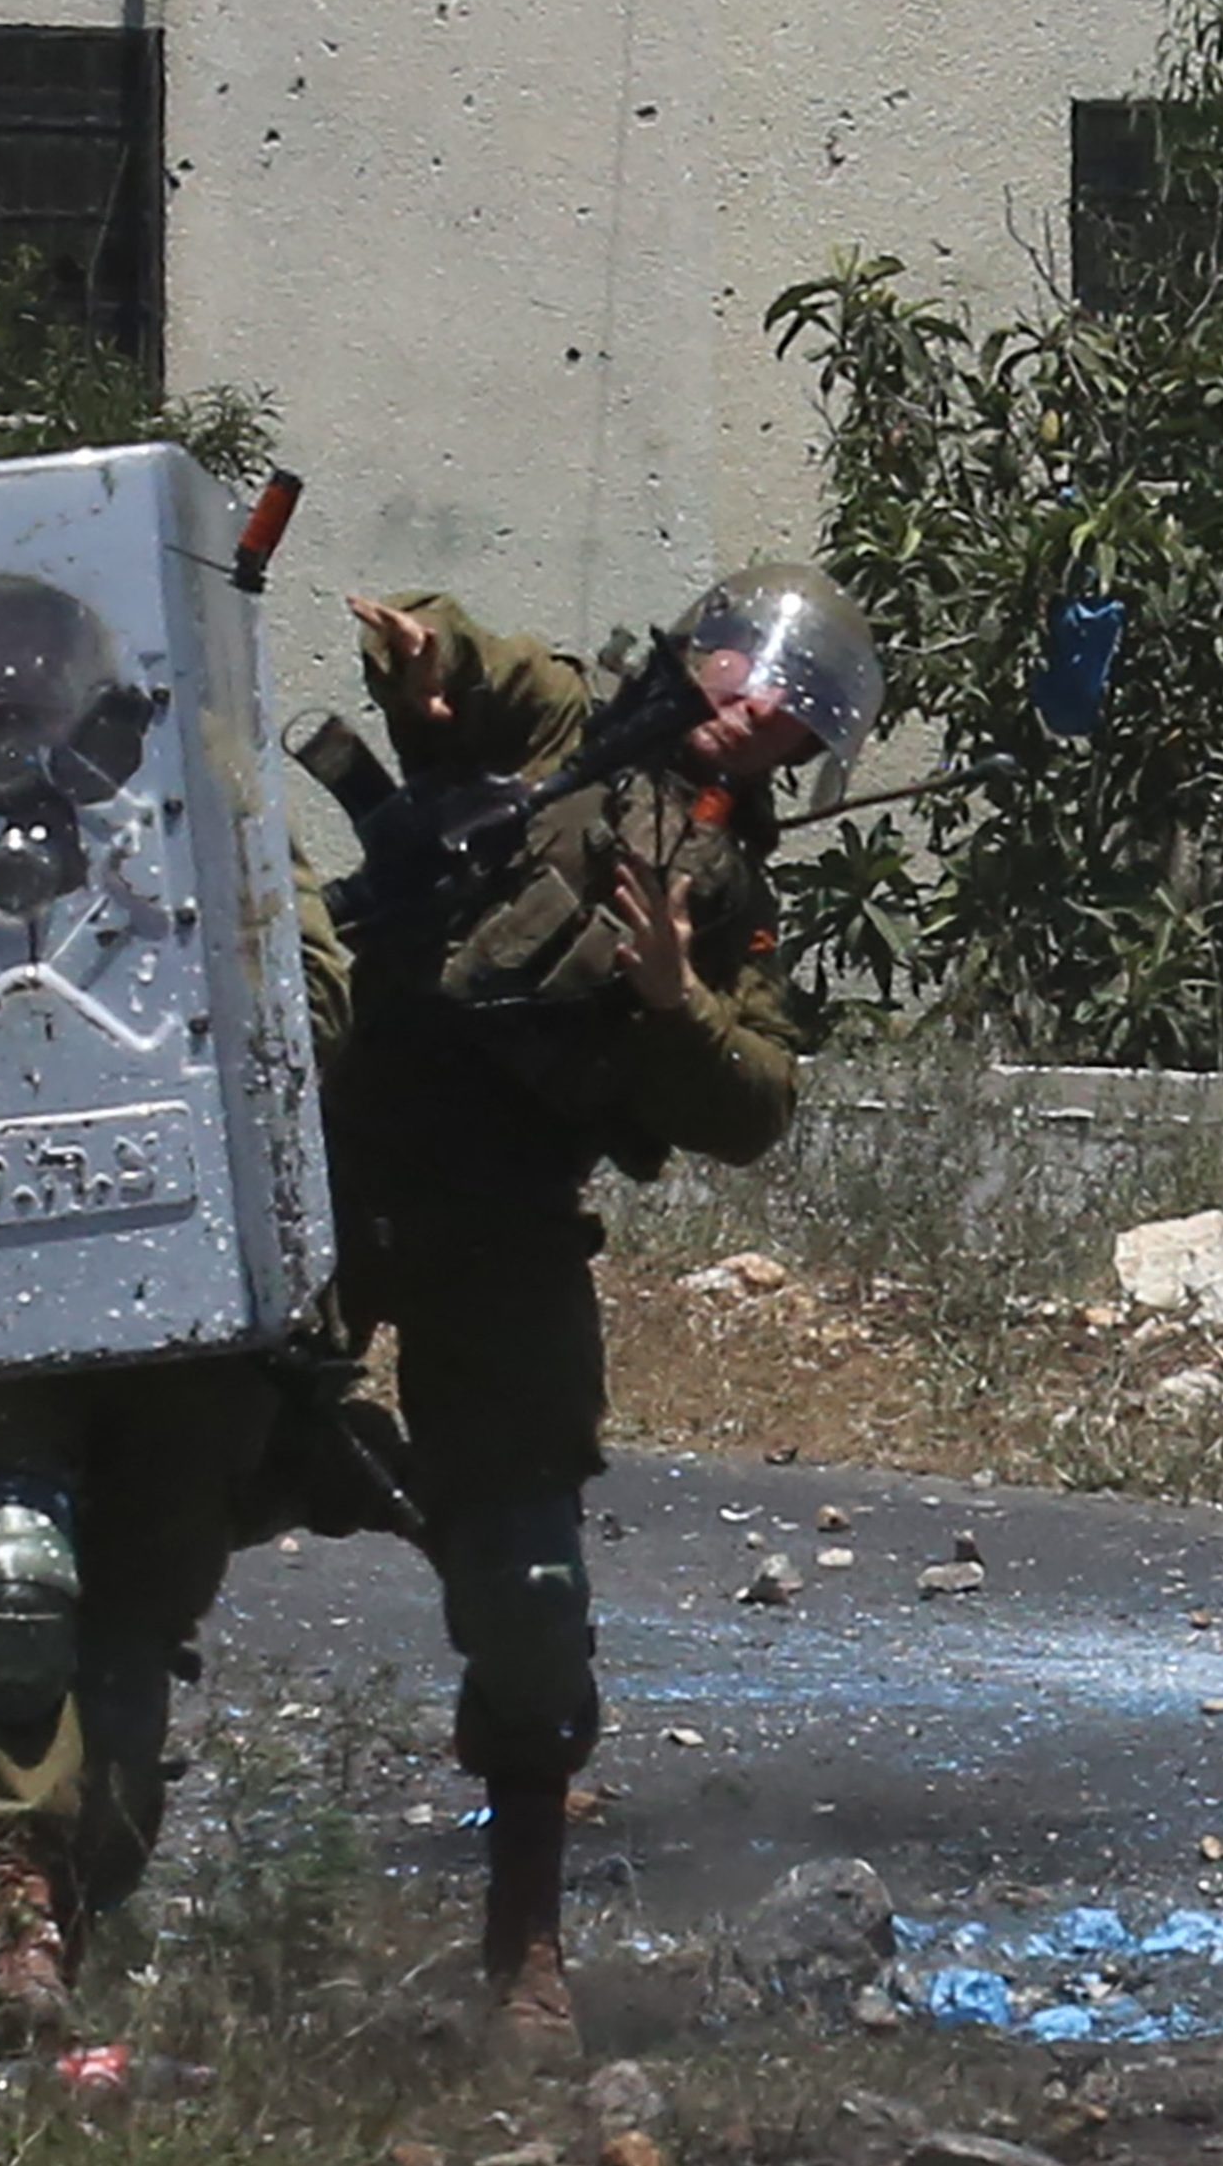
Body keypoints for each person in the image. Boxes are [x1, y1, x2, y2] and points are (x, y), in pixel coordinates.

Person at [319, 566, 873, 2052]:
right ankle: (44, 1912)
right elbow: (473, 671)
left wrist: (674, 999)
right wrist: (423, 656)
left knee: (532, 1593)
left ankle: (526, 1961)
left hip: (504, 1220)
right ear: (700, 652)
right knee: (161, 1465)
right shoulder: (567, 724)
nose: (760, 709)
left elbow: (756, 1104)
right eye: (749, 673)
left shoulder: (731, 898)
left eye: (795, 713)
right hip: (335, 1158)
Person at [0, 894, 354, 2064]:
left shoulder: (195, 804)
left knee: (129, 1632)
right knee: (8, 1580)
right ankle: (19, 1927)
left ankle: (75, 1925)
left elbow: (312, 1006)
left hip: (179, 1255)